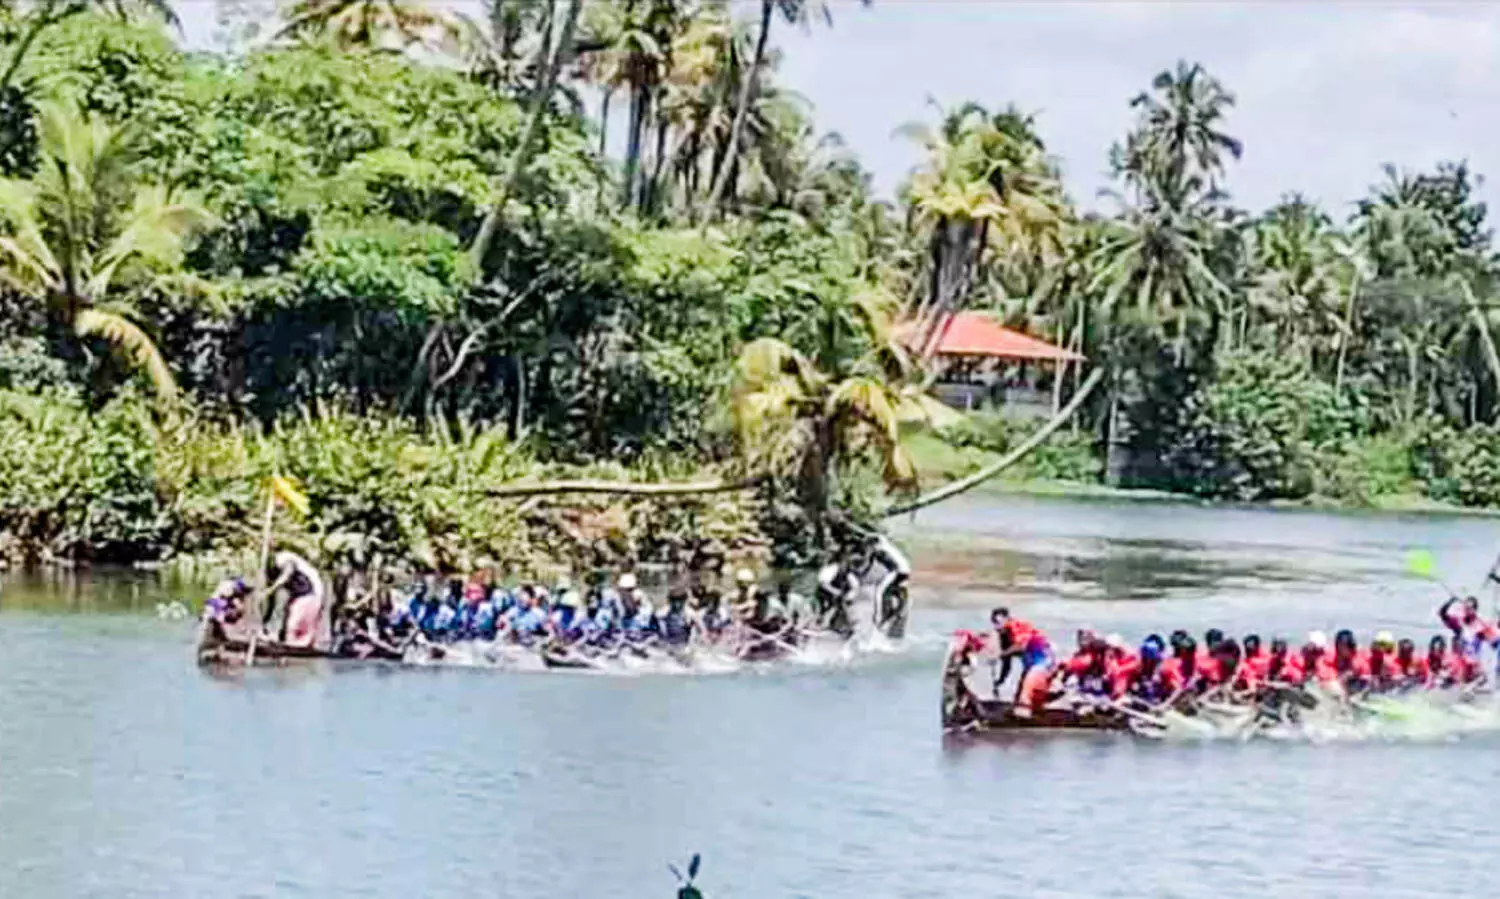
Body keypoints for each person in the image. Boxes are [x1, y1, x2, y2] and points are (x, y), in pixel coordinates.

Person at [268, 549, 326, 648]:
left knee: (296, 623)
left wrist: (272, 589)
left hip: (310, 594)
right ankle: (291, 642)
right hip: (303, 595)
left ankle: (298, 645)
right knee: (291, 620)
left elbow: (287, 573)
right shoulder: (288, 562)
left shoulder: (284, 558)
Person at [866, 533, 912, 636]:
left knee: (879, 592)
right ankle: (891, 616)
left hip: (898, 572)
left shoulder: (881, 551)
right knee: (889, 594)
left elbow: (893, 567)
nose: (869, 549)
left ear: (874, 545)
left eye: (870, 546)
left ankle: (878, 618)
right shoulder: (887, 547)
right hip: (905, 572)